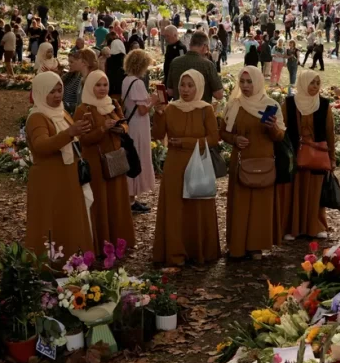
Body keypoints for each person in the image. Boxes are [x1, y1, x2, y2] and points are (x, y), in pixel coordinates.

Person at [151, 69, 221, 265]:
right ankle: (175, 252)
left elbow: (213, 138)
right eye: (182, 85)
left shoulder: (205, 109)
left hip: (198, 163)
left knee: (197, 205)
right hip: (175, 165)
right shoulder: (171, 108)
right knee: (175, 207)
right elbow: (158, 135)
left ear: (198, 87)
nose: (185, 89)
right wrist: (159, 114)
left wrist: (186, 142)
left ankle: (197, 250)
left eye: (190, 86)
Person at [25, 72, 94, 259]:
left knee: (68, 220)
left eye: (59, 90)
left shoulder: (61, 113)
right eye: (51, 92)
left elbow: (71, 139)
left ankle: (73, 261)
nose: (57, 95)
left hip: (67, 176)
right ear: (40, 92)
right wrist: (70, 133)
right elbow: (41, 146)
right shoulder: (37, 117)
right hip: (49, 180)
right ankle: (51, 264)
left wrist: (81, 129)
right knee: (51, 221)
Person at [220, 66, 285, 260]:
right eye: (242, 81)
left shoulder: (270, 105)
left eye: (249, 81)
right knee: (239, 204)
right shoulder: (234, 105)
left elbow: (280, 137)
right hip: (241, 161)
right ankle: (237, 245)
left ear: (257, 82)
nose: (245, 85)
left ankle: (256, 246)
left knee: (260, 206)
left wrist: (272, 127)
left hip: (263, 162)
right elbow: (222, 132)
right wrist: (234, 139)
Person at [73, 71, 136, 248]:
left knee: (117, 200)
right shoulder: (83, 109)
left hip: (115, 161)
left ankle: (119, 240)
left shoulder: (112, 104)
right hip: (96, 163)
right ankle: (102, 243)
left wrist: (121, 129)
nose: (102, 89)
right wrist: (102, 129)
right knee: (100, 200)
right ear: (89, 87)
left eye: (105, 85)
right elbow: (82, 140)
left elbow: (124, 123)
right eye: (98, 85)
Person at [278, 70, 335, 241]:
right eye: (311, 82)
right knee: (294, 190)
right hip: (295, 155)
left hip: (317, 155)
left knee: (315, 191)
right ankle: (292, 227)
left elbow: (329, 132)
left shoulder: (323, 104)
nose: (315, 86)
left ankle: (315, 226)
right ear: (303, 83)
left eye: (317, 83)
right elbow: (281, 129)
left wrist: (332, 157)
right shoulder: (289, 104)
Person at [122, 49, 159, 213]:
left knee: (133, 157)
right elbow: (142, 110)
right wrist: (154, 101)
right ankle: (131, 199)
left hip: (132, 123)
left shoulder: (126, 80)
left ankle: (131, 196)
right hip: (138, 125)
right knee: (137, 158)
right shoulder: (137, 83)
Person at [166, 31, 224, 103]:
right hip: (201, 108)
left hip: (179, 108)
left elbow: (170, 92)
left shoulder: (175, 62)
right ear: (204, 47)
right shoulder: (208, 65)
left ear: (190, 45)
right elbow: (219, 95)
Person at [65, 47, 98, 114]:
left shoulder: (91, 80)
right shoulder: (82, 79)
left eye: (77, 59)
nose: (75, 61)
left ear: (84, 62)